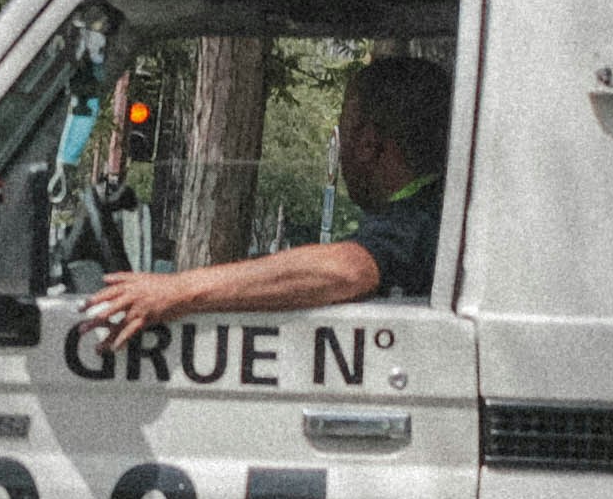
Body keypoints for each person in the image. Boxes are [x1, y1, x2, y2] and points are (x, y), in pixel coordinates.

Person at [69, 49, 455, 350]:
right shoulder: (441, 211)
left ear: (369, 144)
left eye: (344, 135)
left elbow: (349, 269)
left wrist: (177, 291)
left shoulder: (421, 220)